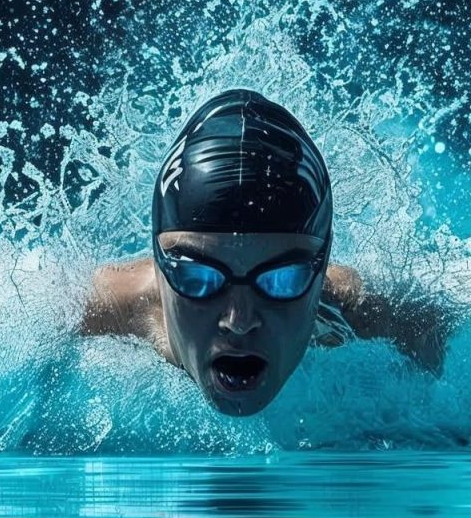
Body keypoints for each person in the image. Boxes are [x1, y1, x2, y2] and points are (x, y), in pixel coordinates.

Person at [79, 89, 449, 415]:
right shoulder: (94, 309)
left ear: (320, 275)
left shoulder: (376, 321)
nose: (239, 321)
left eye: (281, 280)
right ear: (159, 266)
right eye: (199, 277)